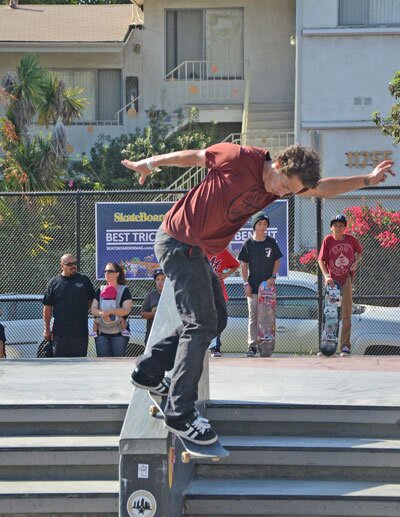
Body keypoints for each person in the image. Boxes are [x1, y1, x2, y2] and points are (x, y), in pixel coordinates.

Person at [121, 142, 394, 446]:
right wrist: (151, 161)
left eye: (289, 192)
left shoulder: (289, 183)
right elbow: (194, 156)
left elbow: (323, 188)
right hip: (178, 241)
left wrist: (366, 179)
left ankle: (148, 371)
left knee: (217, 318)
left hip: (197, 252)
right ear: (278, 164)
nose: (279, 194)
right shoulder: (238, 158)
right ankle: (179, 412)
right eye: (282, 185)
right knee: (200, 324)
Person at [318, 214, 363, 357]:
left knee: (346, 314)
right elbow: (321, 260)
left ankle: (345, 346)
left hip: (346, 280)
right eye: (335, 226)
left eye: (341, 226)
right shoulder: (328, 240)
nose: (338, 228)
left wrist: (356, 262)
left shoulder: (351, 239)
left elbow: (360, 252)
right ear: (331, 228)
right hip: (333, 283)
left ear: (345, 228)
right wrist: (326, 275)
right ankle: (328, 345)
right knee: (331, 314)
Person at [238, 212, 282, 357]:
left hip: (267, 289)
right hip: (253, 287)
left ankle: (265, 345)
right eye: (260, 224)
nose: (263, 227)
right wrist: (246, 284)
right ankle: (252, 346)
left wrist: (273, 277)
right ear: (254, 225)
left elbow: (277, 260)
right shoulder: (248, 244)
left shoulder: (271, 242)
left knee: (267, 317)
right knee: (254, 316)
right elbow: (243, 265)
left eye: (265, 224)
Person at [43, 254, 95, 357]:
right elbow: (47, 307)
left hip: (80, 333)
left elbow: (91, 300)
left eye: (74, 263)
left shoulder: (84, 280)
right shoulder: (54, 283)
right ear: (62, 266)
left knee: (79, 365)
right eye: (69, 264)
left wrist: (82, 310)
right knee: (60, 365)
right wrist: (47, 329)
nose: (73, 266)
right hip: (60, 334)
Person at [90, 263, 133, 357]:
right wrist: (102, 313)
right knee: (102, 362)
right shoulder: (100, 289)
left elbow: (126, 310)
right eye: (105, 271)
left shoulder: (124, 290)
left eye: (110, 271)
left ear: (117, 274)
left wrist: (110, 312)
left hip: (119, 333)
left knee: (118, 362)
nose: (106, 273)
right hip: (102, 333)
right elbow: (93, 309)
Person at [207, 248, 240, 357]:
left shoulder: (222, 251)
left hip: (218, 291)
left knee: (219, 320)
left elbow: (236, 265)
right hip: (203, 291)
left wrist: (226, 275)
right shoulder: (199, 251)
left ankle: (215, 347)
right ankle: (205, 345)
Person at [141, 268, 166, 346]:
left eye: (163, 279)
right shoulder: (150, 296)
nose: (160, 282)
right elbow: (142, 314)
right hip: (152, 334)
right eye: (158, 279)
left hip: (169, 334)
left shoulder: (173, 295)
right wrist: (155, 314)